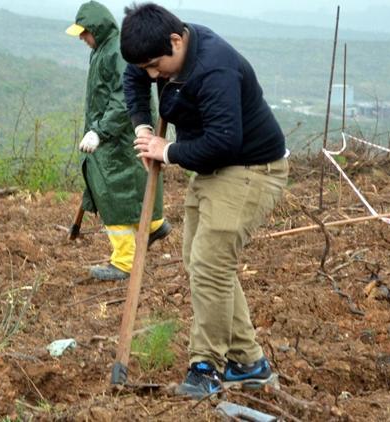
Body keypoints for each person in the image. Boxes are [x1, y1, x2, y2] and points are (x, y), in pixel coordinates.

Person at [120, 3, 288, 398]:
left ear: (177, 41)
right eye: (146, 66)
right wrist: (144, 128)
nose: (152, 74)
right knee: (201, 262)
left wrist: (168, 151)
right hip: (214, 167)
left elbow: (224, 140)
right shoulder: (156, 50)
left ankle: (206, 367)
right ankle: (249, 363)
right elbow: (134, 77)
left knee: (211, 264)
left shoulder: (215, 67)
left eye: (156, 65)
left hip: (250, 168)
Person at [65, 1, 171, 281]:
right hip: (112, 135)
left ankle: (123, 262)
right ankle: (155, 225)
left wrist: (99, 131)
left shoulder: (115, 52)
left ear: (97, 29)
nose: (81, 38)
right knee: (125, 189)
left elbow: (122, 98)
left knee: (112, 196)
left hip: (117, 135)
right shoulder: (103, 49)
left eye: (84, 33)